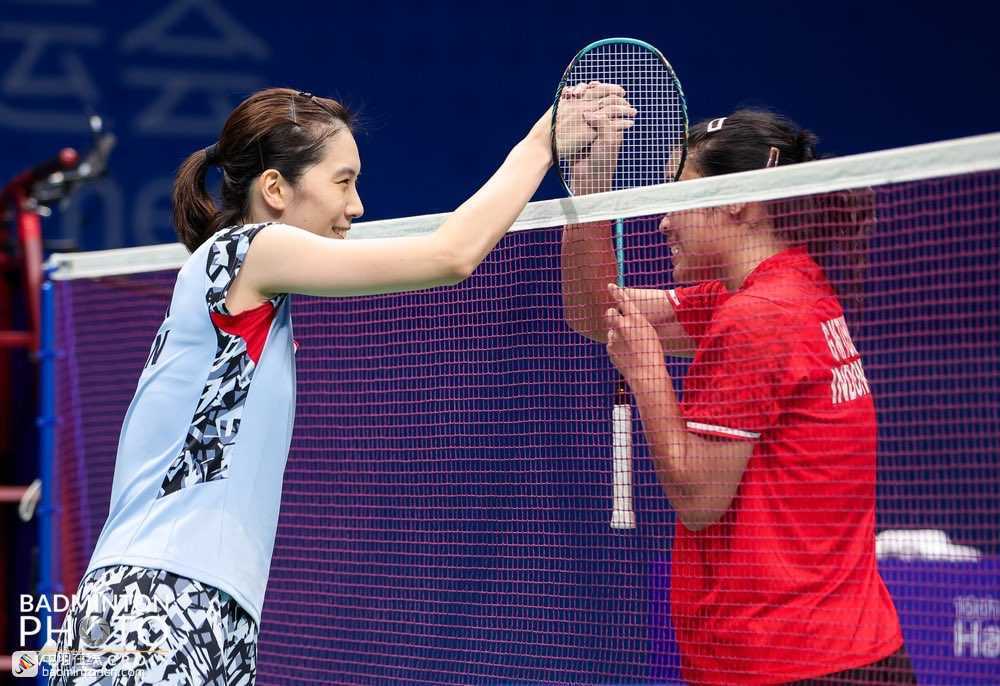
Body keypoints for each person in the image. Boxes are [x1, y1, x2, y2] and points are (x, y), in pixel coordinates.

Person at [49, 86, 624, 685]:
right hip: (156, 603)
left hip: (206, 606)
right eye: (342, 182)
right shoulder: (248, 250)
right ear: (275, 189)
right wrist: (540, 144)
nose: (357, 206)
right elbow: (449, 255)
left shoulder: (243, 286)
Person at [560, 104, 915, 685]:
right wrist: (590, 188)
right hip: (836, 651)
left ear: (736, 202)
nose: (663, 222)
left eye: (679, 196)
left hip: (787, 662)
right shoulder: (781, 286)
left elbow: (698, 497)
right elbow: (595, 310)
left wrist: (647, 373)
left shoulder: (759, 315)